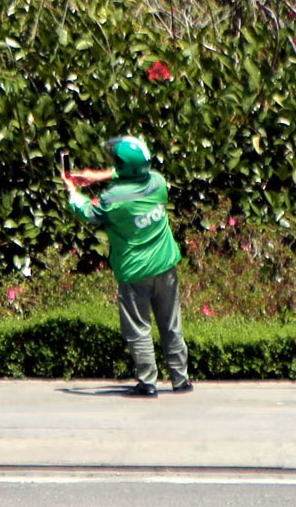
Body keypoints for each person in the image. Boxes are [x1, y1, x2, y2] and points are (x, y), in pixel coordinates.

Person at [63, 134, 192, 397]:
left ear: (122, 166)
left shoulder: (113, 199)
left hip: (135, 273)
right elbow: (132, 175)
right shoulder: (157, 183)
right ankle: (181, 380)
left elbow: (87, 211)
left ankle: (147, 383)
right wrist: (99, 176)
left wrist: (72, 191)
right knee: (171, 325)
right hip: (165, 267)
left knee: (139, 329)